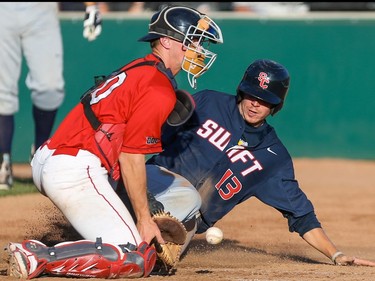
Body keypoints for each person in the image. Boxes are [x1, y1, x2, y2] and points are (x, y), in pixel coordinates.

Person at [4, 5, 223, 279]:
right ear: (167, 41)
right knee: (134, 256)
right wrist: (143, 219)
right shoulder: (158, 88)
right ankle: (38, 257)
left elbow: (115, 141)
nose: (199, 49)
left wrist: (139, 205)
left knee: (155, 208)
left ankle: (100, 234)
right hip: (75, 169)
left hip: (54, 157)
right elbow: (131, 156)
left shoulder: (140, 68)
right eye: (192, 40)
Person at [130, 59, 375, 268]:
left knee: (149, 261)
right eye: (252, 95)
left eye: (265, 100)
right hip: (156, 183)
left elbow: (302, 215)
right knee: (181, 197)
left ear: (276, 105)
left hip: (184, 222)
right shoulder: (208, 103)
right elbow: (154, 132)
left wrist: (336, 254)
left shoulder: (272, 157)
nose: (255, 104)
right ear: (242, 91)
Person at [0, 2, 102, 191]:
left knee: (50, 87)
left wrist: (91, 6)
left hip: (41, 10)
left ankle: (40, 150)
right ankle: (2, 159)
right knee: (1, 90)